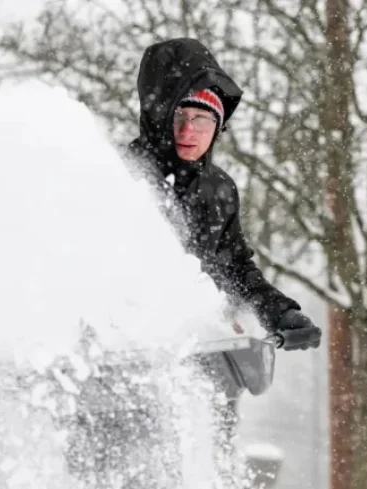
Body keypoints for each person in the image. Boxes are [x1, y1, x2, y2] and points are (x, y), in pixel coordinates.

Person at [124, 37, 322, 351]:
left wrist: (279, 312)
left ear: (219, 126)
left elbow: (235, 267)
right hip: (123, 349)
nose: (189, 131)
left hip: (199, 351)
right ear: (156, 116)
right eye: (178, 117)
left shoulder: (218, 190)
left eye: (202, 119)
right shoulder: (120, 177)